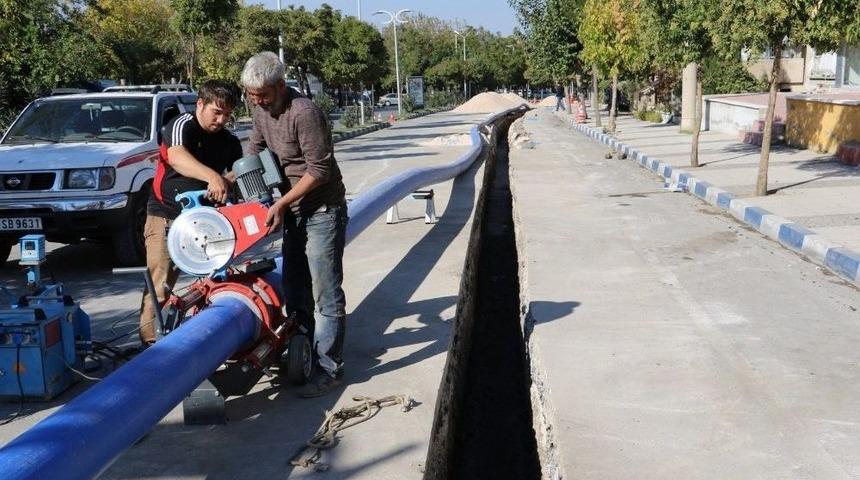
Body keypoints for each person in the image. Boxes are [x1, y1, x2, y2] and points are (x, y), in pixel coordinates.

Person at [241, 52, 348, 398]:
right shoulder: (260, 110)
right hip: (294, 213)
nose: (258, 102)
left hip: (321, 210)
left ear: (280, 86)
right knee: (295, 285)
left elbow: (319, 170)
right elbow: (252, 154)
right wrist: (228, 181)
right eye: (252, 96)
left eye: (264, 96)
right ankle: (302, 350)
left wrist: (282, 203)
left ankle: (329, 367)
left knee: (325, 291)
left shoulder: (305, 114)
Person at [139, 80, 243, 346]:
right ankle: (151, 347)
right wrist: (212, 177)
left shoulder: (228, 141)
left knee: (215, 282)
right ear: (200, 104)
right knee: (160, 285)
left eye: (227, 115)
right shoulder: (181, 124)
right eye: (216, 112)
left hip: (206, 223)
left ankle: (211, 339)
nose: (221, 120)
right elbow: (176, 156)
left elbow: (238, 170)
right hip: (166, 217)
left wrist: (228, 180)